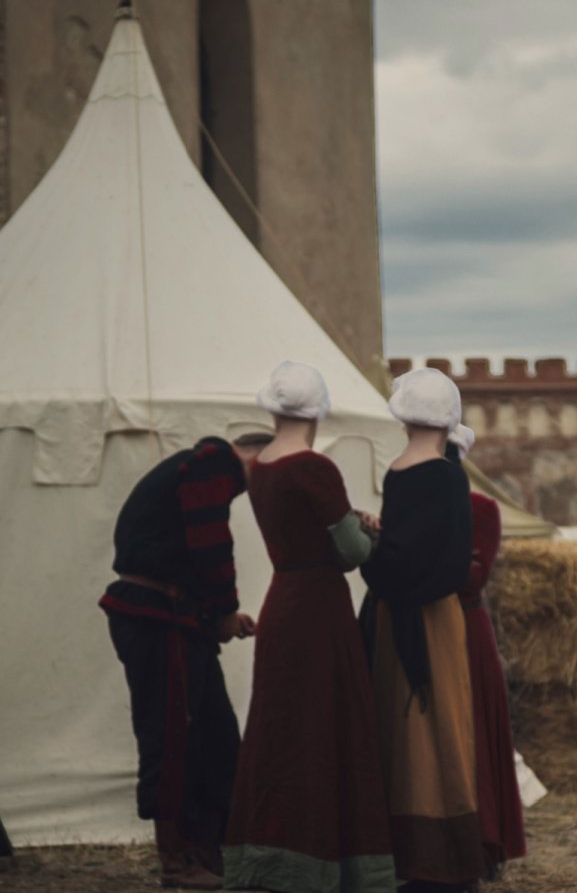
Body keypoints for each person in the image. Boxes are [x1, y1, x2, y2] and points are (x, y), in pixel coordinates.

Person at [223, 362, 395, 893]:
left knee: (281, 734)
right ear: (317, 411)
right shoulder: (314, 468)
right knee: (326, 731)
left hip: (283, 604)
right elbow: (347, 553)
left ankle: (272, 862)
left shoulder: (260, 467)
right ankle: (328, 864)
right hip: (320, 611)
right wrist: (371, 533)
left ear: (273, 409)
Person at [101, 432, 268, 889]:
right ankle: (177, 860)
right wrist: (224, 609)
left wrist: (218, 615)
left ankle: (210, 852)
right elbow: (211, 547)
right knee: (173, 735)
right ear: (257, 456)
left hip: (177, 617)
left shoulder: (200, 469)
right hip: (158, 620)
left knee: (213, 733)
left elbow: (187, 552)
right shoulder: (212, 463)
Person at [359, 368, 481, 891]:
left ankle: (426, 857)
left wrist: (374, 552)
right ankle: (439, 855)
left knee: (416, 726)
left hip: (409, 618)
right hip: (430, 616)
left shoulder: (411, 472)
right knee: (436, 727)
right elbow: (441, 554)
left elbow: (410, 555)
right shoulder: (446, 475)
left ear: (404, 417)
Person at [446, 424, 527, 878]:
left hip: (465, 630)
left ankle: (480, 839)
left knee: (473, 727)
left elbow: (471, 577)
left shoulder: (481, 509)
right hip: (422, 627)